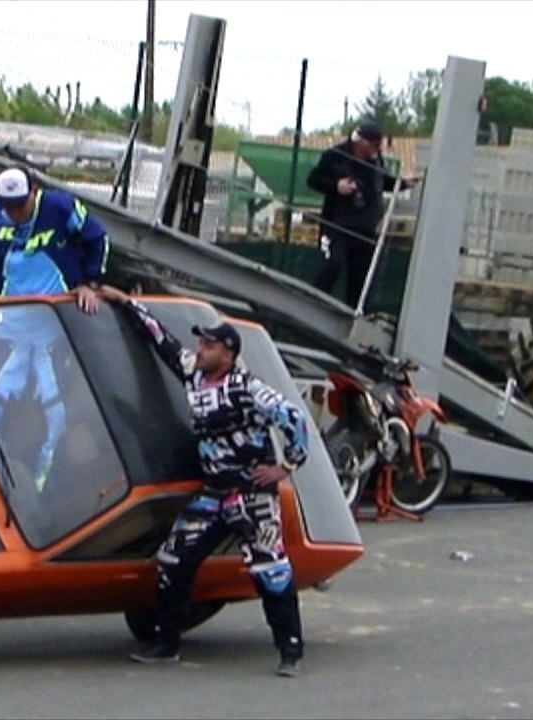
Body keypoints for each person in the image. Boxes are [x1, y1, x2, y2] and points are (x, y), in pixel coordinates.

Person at [97, 284, 312, 678]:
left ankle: (290, 650)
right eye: (202, 344)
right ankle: (166, 643)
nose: (201, 350)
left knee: (270, 569)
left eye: (210, 346)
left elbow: (293, 419)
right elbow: (161, 340)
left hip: (251, 495)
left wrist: (287, 467)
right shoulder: (194, 374)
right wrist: (126, 302)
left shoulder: (248, 388)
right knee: (172, 560)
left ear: (228, 354)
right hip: (213, 494)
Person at [0, 166, 110, 491]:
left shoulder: (60, 208)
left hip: (54, 327)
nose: (13, 213)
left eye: (20, 205)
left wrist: (89, 283)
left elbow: (97, 237)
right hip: (9, 327)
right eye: (7, 206)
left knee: (55, 412)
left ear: (34, 192)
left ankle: (41, 487)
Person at [306, 122, 416, 308]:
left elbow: (383, 181)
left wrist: (403, 183)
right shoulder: (335, 155)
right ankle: (313, 303)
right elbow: (313, 180)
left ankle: (353, 312)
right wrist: (336, 186)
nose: (377, 149)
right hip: (337, 225)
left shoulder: (376, 160)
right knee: (333, 264)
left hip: (365, 228)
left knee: (360, 277)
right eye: (373, 144)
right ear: (361, 142)